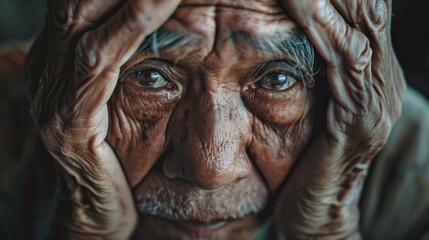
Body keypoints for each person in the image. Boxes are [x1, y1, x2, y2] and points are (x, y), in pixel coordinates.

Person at [0, 0, 428, 239]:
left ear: (344, 87)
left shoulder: (416, 175)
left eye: (277, 79)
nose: (210, 170)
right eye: (149, 77)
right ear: (68, 79)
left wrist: (328, 232)